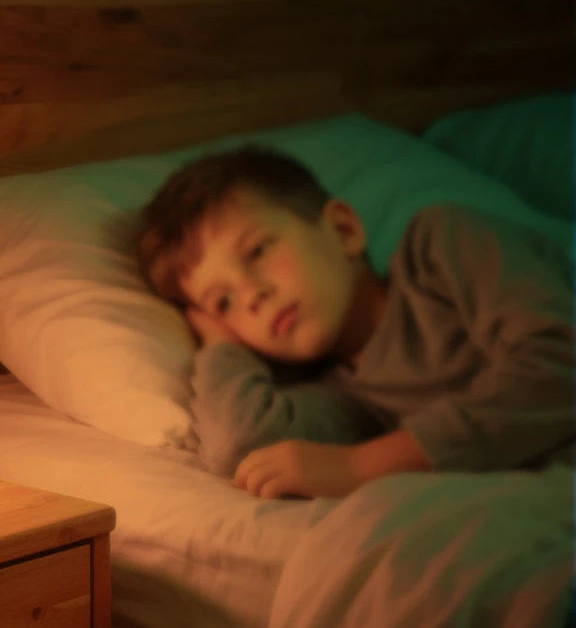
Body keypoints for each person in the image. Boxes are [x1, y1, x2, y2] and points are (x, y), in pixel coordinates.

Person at [136, 146, 575, 500]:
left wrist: (361, 467)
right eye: (224, 301)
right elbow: (245, 449)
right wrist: (219, 346)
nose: (252, 295)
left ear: (344, 229)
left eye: (256, 252)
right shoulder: (350, 397)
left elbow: (561, 363)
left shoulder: (442, 246)